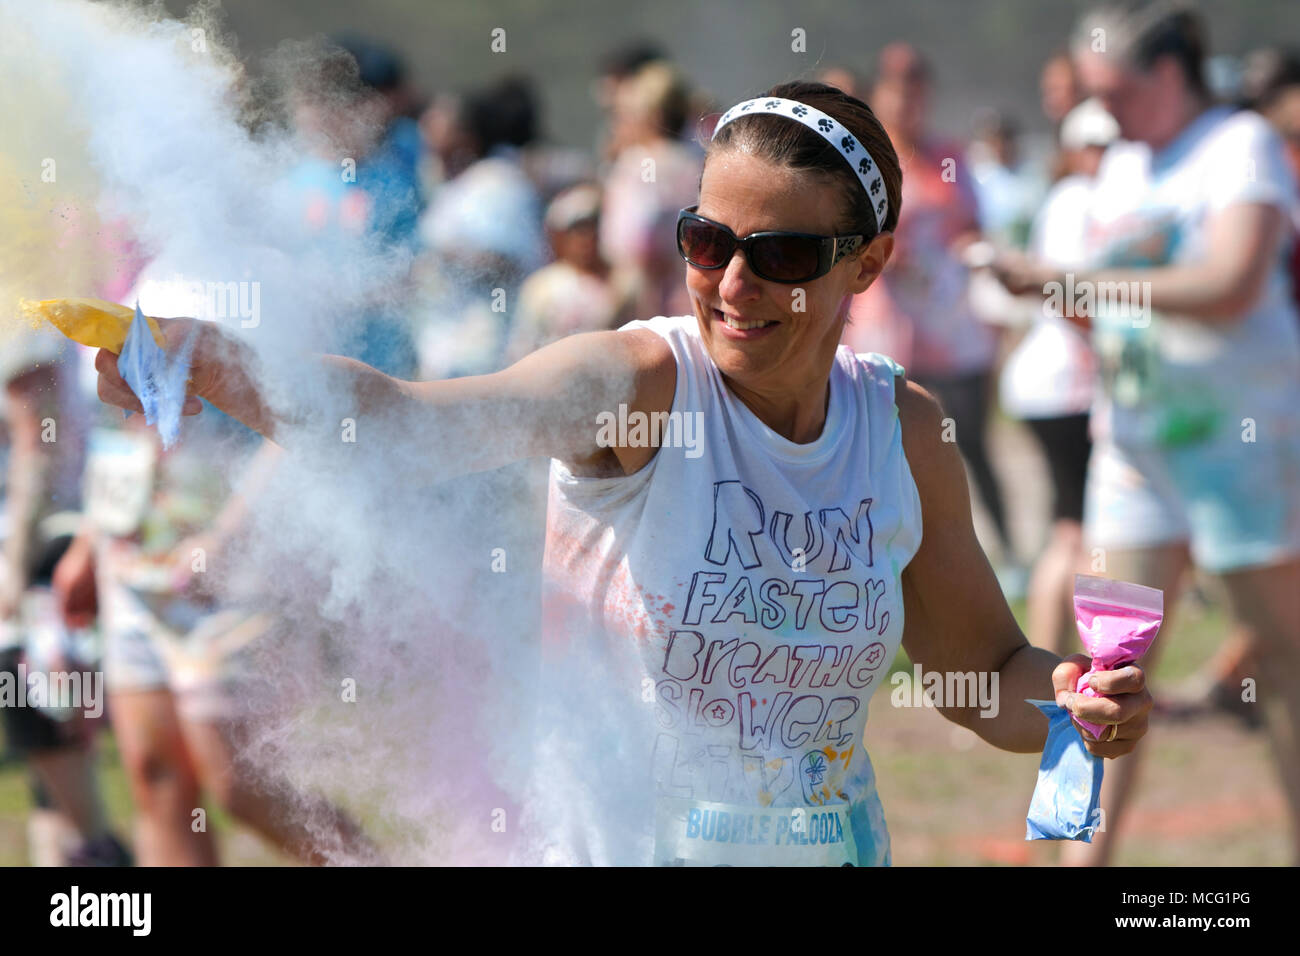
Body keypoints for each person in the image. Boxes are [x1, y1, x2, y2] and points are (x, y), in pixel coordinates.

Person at [91, 80, 1152, 867]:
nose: (731, 283)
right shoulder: (640, 385)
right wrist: (213, 361)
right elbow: (403, 422)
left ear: (865, 265)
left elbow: (983, 672)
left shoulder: (901, 432)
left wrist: (1063, 701)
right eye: (705, 240)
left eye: (780, 254)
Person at [993, 1, 1300, 866]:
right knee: (1101, 678)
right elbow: (1116, 315)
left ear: (1168, 74)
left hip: (1239, 452)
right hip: (1132, 453)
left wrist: (1082, 281)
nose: (1099, 112)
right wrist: (1055, 294)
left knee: (1283, 665)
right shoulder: (1120, 167)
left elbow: (1233, 284)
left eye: (1112, 90)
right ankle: (1074, 861)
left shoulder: (1237, 145)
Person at [844, 44, 1022, 592]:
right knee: (882, 446)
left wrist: (975, 255)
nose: (908, 99)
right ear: (878, 95)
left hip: (952, 332)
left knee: (969, 438)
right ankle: (881, 564)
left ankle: (1009, 555)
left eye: (917, 87)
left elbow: (971, 226)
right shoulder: (863, 162)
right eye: (897, 87)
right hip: (886, 332)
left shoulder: (950, 158)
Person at [998, 99, 1113, 657]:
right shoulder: (1079, 201)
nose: (1104, 155)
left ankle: (1055, 667)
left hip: (1055, 385)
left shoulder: (1074, 197)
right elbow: (1065, 296)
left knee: (1071, 529)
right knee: (1081, 534)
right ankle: (1071, 669)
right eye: (1095, 145)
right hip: (1067, 386)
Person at [503, 183, 637, 363]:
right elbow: (522, 348)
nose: (587, 237)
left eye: (593, 227)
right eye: (578, 229)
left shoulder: (626, 281)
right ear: (560, 236)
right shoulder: (542, 286)